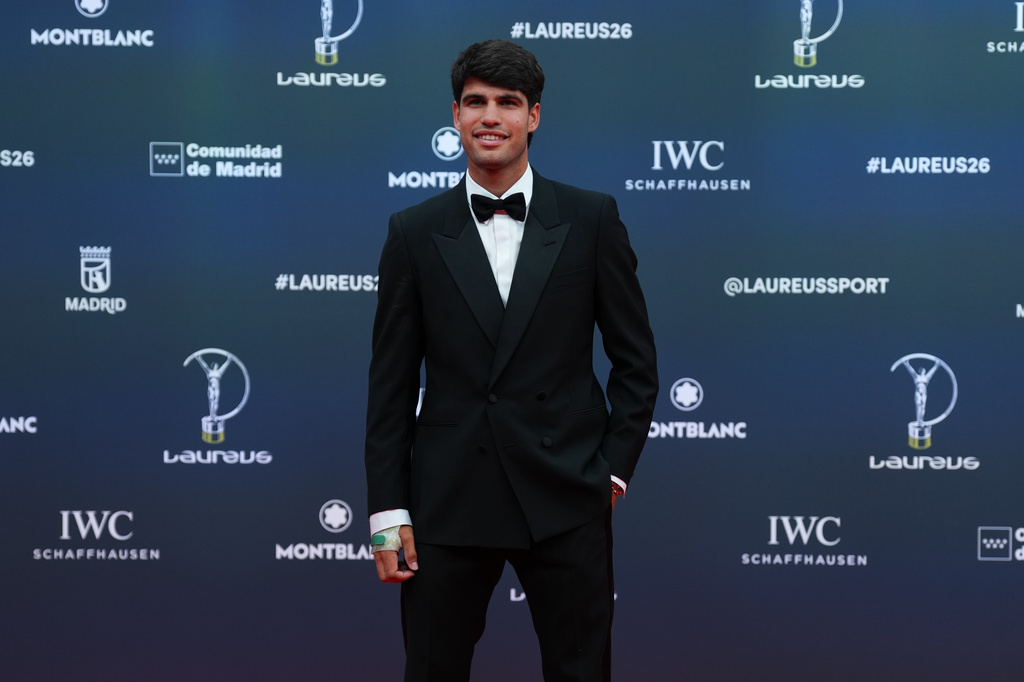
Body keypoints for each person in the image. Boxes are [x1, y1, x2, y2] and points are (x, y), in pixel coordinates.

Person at [364, 39, 658, 682]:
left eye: (507, 102)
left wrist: (610, 476)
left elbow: (636, 363)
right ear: (455, 114)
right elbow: (389, 386)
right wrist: (388, 514)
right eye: (476, 102)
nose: (489, 116)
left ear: (534, 116)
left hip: (565, 492)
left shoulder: (591, 218)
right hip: (447, 501)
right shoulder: (413, 231)